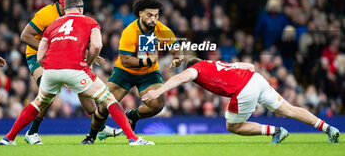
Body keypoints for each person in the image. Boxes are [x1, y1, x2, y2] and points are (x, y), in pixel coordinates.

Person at [0, 0, 153, 146]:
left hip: (51, 69)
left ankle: (8, 138)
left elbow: (40, 55)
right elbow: (97, 46)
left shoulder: (53, 24)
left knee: (38, 102)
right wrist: (89, 62)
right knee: (108, 99)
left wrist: (52, 67)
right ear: (81, 8)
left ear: (64, 9)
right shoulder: (90, 21)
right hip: (75, 68)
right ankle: (133, 139)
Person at [142, 58, 340, 143]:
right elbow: (251, 66)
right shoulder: (218, 63)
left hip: (243, 90)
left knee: (233, 126)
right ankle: (328, 129)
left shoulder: (196, 69)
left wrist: (158, 92)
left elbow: (180, 78)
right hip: (256, 80)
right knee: (289, 109)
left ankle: (276, 131)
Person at [20, 0, 118, 144]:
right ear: (61, 3)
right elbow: (25, 36)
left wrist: (87, 54)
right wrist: (49, 51)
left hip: (63, 56)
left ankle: (98, 127)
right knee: (46, 95)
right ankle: (32, 132)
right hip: (36, 55)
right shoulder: (46, 14)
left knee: (83, 86)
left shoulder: (76, 16)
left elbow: (71, 40)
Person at [80, 0, 183, 144]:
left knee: (157, 105)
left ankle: (132, 116)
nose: (153, 19)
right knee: (104, 106)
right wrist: (148, 60)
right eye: (149, 15)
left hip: (148, 73)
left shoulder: (162, 29)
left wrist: (177, 58)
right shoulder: (130, 31)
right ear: (140, 13)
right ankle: (91, 136)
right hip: (125, 72)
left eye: (156, 15)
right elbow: (126, 60)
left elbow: (175, 47)